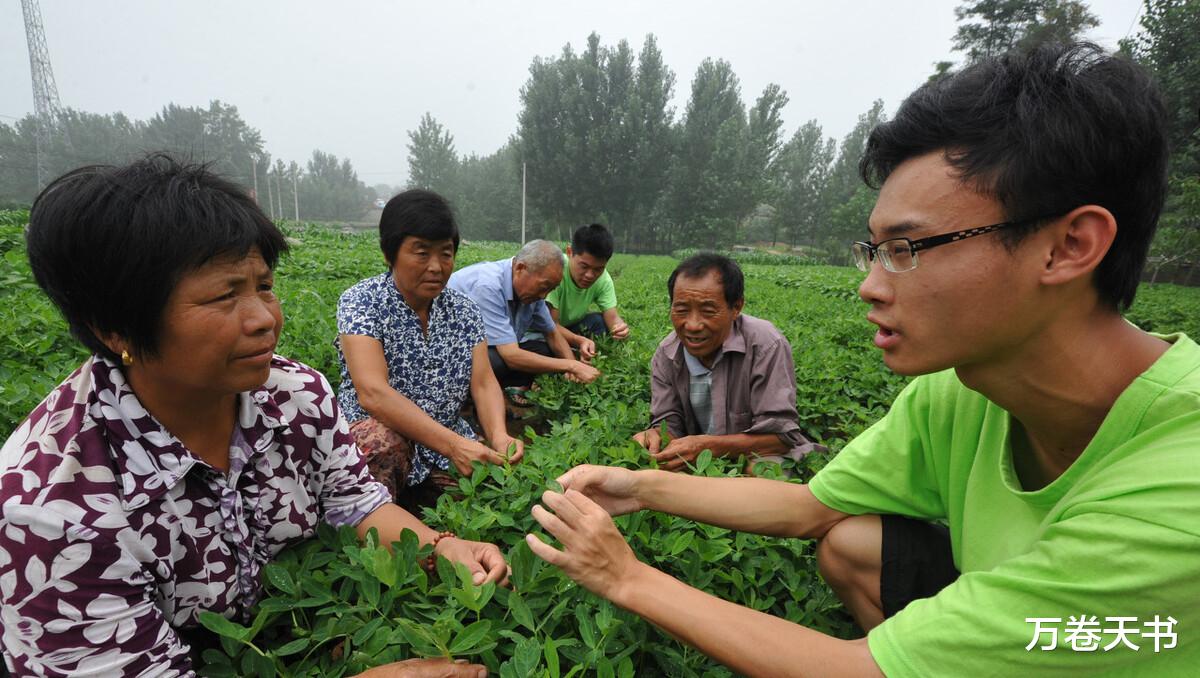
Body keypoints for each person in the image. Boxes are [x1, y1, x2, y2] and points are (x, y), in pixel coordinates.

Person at [525, 43, 1198, 676]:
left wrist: (626, 577)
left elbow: (858, 669)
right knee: (851, 540)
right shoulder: (961, 392)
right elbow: (809, 507)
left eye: (907, 249)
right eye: (874, 251)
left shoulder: (1175, 495)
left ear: (1069, 246)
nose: (870, 285)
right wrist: (638, 487)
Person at [0, 156, 500, 677]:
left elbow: (356, 505)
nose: (266, 319)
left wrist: (443, 547)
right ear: (116, 327)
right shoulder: (52, 511)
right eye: (224, 295)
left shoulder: (296, 395)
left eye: (263, 286)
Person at [337, 189, 524, 513]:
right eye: (421, 253)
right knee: (382, 444)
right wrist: (454, 446)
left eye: (446, 254)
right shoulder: (362, 301)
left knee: (496, 493)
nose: (437, 267)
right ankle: (368, 521)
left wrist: (498, 435)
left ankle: (417, 499)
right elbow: (373, 393)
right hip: (384, 440)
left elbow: (483, 382)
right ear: (389, 253)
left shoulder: (464, 310)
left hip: (444, 443)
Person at [632, 253, 822, 472]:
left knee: (761, 471)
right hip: (697, 457)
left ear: (736, 307)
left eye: (708, 311)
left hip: (757, 453)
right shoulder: (667, 354)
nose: (692, 325)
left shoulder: (765, 345)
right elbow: (669, 424)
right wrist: (656, 435)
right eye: (682, 310)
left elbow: (780, 437)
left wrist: (708, 447)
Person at [447, 240, 600, 400]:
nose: (544, 296)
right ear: (520, 268)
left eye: (551, 289)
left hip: (483, 351)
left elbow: (553, 334)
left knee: (545, 350)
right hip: (447, 358)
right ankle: (468, 403)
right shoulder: (488, 286)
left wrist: (575, 369)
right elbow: (511, 356)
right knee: (496, 361)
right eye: (544, 287)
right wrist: (572, 365)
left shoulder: (533, 294)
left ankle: (495, 396)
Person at [545, 224, 630, 363]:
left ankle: (580, 352)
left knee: (600, 322)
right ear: (570, 252)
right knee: (543, 348)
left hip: (569, 328)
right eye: (584, 266)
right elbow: (550, 325)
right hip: (545, 331)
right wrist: (579, 341)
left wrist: (620, 329)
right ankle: (571, 353)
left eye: (598, 269)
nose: (590, 275)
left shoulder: (604, 280)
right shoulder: (556, 271)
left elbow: (613, 317)